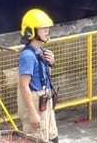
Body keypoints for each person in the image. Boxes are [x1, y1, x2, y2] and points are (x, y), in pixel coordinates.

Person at [17, 8, 59, 143]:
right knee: (37, 138)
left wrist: (51, 62)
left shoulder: (40, 51)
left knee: (52, 137)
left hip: (44, 97)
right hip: (35, 100)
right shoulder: (28, 56)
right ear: (31, 31)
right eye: (43, 28)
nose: (47, 31)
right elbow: (24, 86)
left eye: (47, 28)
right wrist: (33, 113)